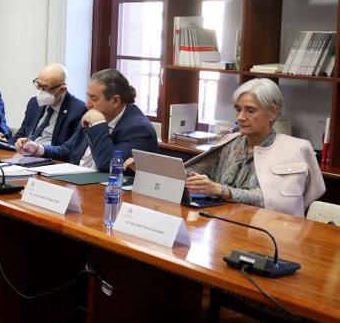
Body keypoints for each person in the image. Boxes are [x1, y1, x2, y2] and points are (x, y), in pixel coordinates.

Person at [185, 78, 324, 216]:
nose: (240, 117)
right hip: (225, 224)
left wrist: (223, 191)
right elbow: (191, 172)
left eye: (250, 111)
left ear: (273, 113)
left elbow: (280, 202)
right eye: (238, 109)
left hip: (271, 229)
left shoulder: (294, 150)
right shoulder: (230, 143)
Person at [49, 68, 158, 170]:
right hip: (75, 180)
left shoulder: (138, 129)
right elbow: (68, 149)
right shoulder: (93, 114)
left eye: (94, 98)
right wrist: (39, 149)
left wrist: (98, 124)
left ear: (115, 101)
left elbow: (108, 165)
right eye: (88, 96)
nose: (88, 104)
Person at [14, 63, 87, 156]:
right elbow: (21, 133)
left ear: (62, 90)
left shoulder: (79, 110)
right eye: (38, 85)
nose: (40, 91)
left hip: (52, 159)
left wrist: (39, 149)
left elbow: (70, 150)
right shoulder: (34, 103)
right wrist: (16, 142)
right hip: (25, 156)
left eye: (45, 87)